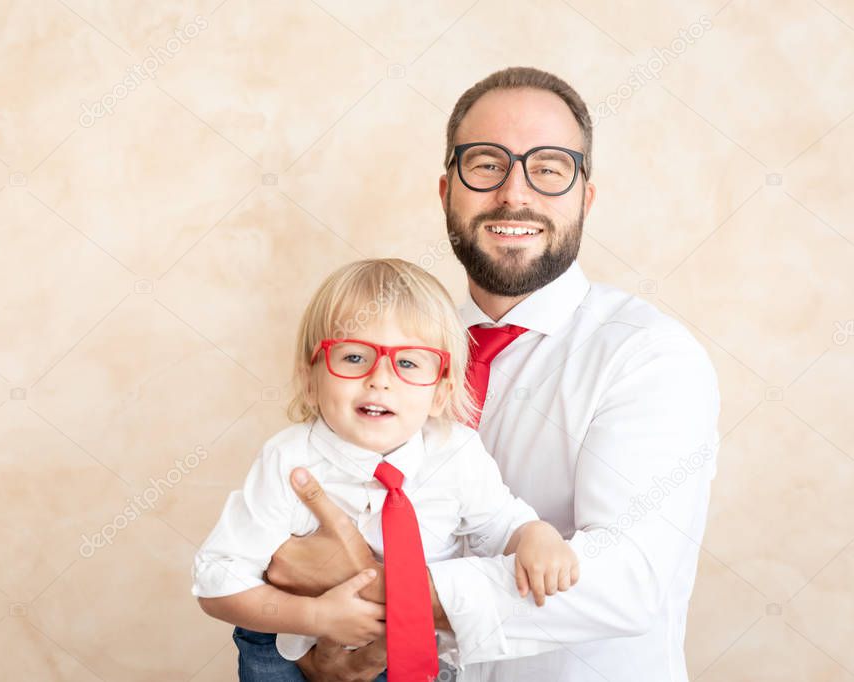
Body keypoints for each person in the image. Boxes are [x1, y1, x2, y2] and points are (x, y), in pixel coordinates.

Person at [263, 66, 722, 682]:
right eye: (486, 164)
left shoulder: (649, 357)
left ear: (585, 196)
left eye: (550, 167)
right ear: (447, 188)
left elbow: (626, 579)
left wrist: (378, 588)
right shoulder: (402, 351)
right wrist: (330, 642)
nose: (515, 194)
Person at [192, 258, 580, 681]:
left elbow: (503, 525)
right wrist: (316, 615)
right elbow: (217, 581)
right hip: (288, 647)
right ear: (310, 377)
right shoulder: (288, 460)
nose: (380, 378)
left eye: (409, 363)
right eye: (355, 356)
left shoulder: (457, 453)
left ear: (441, 391)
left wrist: (536, 537)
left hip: (414, 651)